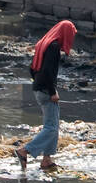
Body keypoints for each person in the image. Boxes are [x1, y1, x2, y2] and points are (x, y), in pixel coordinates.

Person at [12, 20, 76, 174]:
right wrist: (53, 91)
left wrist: (38, 83)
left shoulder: (44, 43)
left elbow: (32, 68)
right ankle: (24, 151)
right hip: (46, 91)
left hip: (39, 88)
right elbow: (47, 72)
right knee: (51, 127)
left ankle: (47, 160)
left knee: (53, 125)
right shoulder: (53, 47)